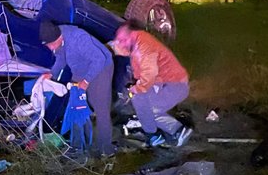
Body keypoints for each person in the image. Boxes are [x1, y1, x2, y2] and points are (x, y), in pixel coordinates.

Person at [40, 20, 115, 157]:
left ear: (59, 38)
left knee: (100, 106)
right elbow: (61, 59)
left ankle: (105, 149)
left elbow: (99, 59)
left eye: (51, 45)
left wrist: (86, 80)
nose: (50, 48)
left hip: (102, 66)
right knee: (76, 105)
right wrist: (52, 74)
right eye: (48, 46)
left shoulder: (78, 38)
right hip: (80, 67)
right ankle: (77, 146)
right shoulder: (57, 40)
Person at [113, 19, 192, 147]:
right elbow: (139, 73)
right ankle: (153, 136)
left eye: (122, 40)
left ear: (131, 35)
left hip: (175, 85)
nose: (120, 44)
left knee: (150, 109)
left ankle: (179, 130)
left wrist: (136, 89)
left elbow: (149, 75)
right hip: (161, 84)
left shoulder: (144, 46)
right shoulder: (136, 43)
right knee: (139, 101)